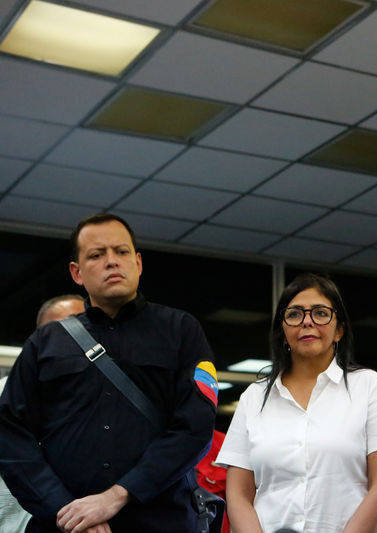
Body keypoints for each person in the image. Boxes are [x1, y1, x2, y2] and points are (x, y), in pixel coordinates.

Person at [0, 213, 218, 533]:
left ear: (138, 263)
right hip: (64, 526)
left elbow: (194, 427)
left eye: (122, 251)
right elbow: (9, 434)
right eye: (97, 254)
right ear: (77, 272)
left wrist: (116, 496)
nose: (112, 261)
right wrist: (65, 510)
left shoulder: (181, 331)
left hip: (161, 521)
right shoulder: (45, 342)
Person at [217, 273, 377, 533]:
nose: (307, 322)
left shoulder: (368, 386)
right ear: (283, 333)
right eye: (294, 314)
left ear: (339, 330)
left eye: (320, 313)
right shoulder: (254, 397)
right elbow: (237, 494)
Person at [0, 295, 86, 533]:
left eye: (86, 329)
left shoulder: (104, 404)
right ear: (39, 337)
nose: (80, 338)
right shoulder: (4, 392)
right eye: (65, 328)